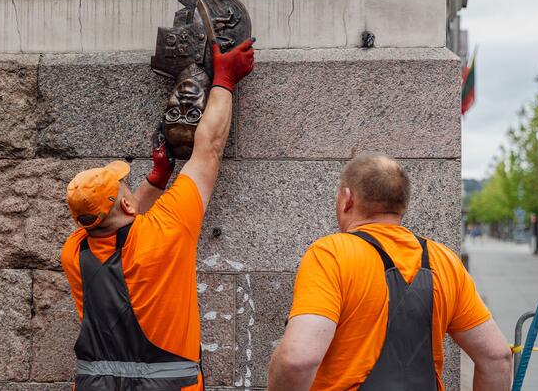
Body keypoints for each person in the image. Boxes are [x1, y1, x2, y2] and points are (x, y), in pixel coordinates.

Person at [60, 39, 255, 390]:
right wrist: (225, 79)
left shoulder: (74, 253)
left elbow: (121, 224)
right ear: (126, 204)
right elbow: (208, 150)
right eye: (126, 187)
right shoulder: (167, 228)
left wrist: (157, 178)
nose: (130, 191)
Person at [267, 152, 512, 391]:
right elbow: (497, 358)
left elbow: (297, 360)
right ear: (402, 204)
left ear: (347, 198)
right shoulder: (444, 260)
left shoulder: (331, 254)